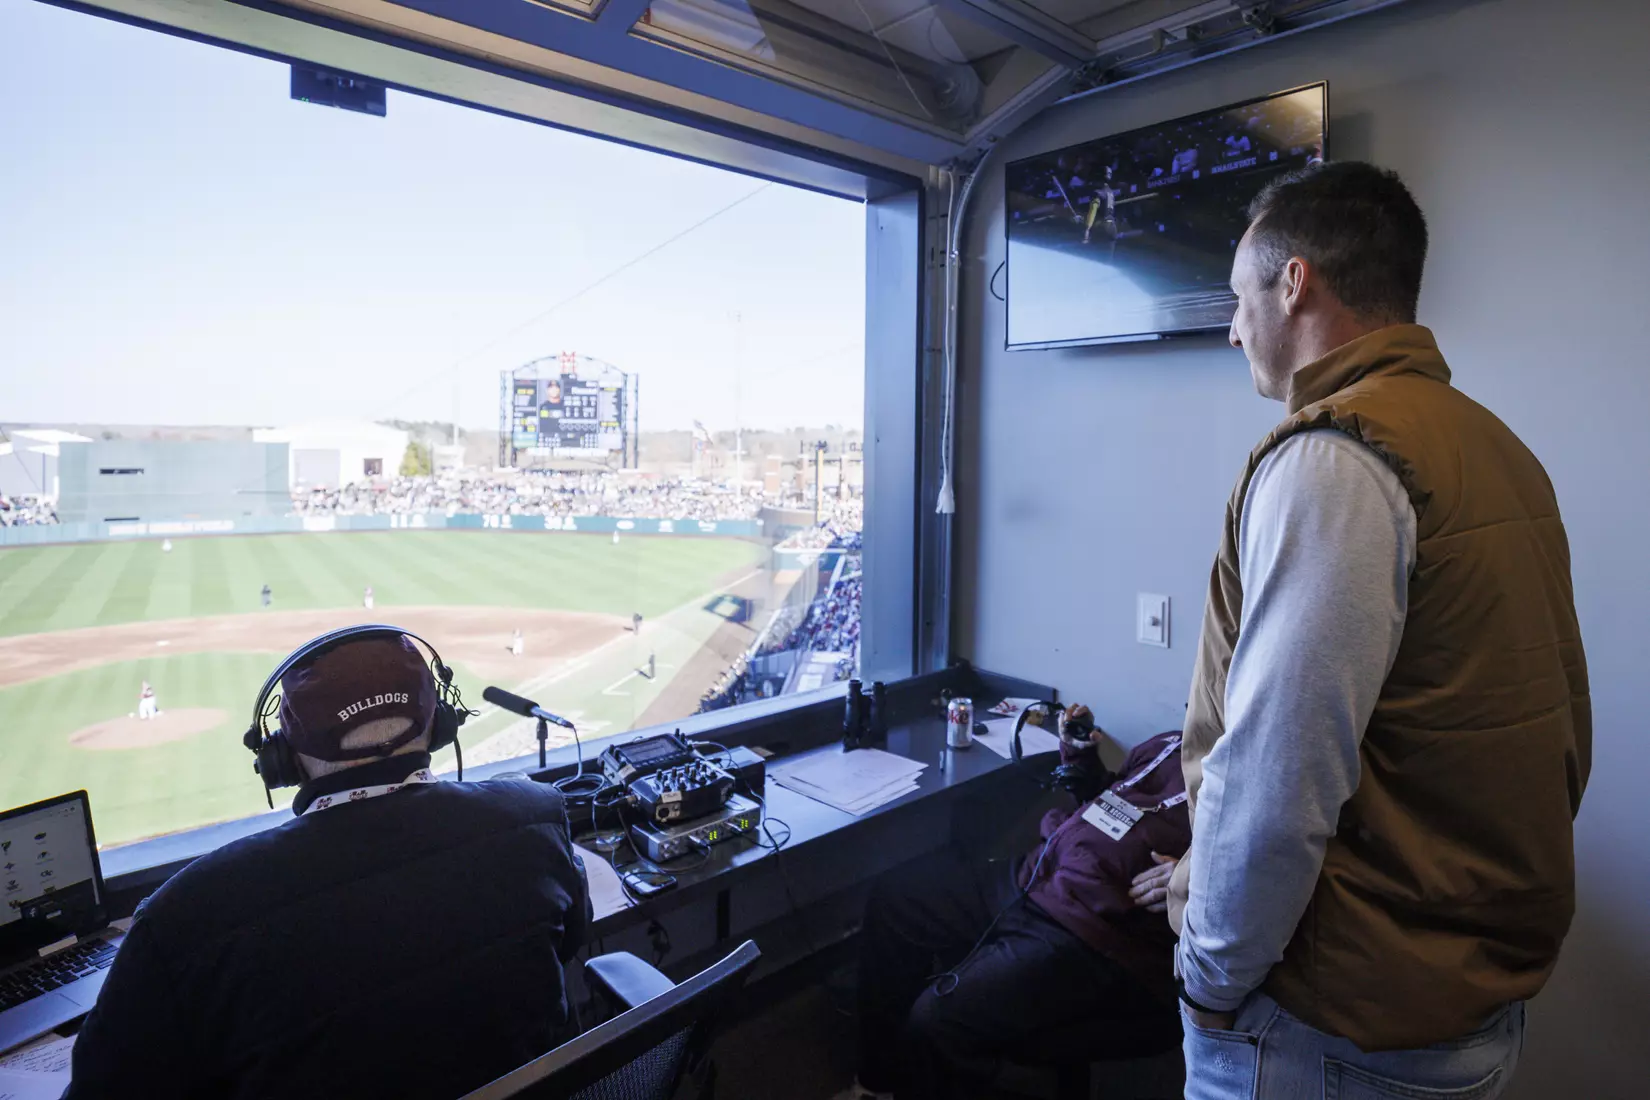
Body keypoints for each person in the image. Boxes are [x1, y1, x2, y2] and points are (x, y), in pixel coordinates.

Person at [1169, 162, 1590, 1099]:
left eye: (1240, 298)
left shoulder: (1332, 461)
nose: (1234, 328)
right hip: (1460, 993)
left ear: (1294, 282)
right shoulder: (1491, 445)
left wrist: (1207, 976)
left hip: (1337, 1023)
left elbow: (1279, 777)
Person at [65, 632, 593, 1100]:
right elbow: (570, 940)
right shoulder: (537, 816)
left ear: (283, 759)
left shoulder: (185, 915)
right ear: (438, 725)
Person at [848, 713, 1189, 1100]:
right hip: (1036, 875)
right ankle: (880, 1079)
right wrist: (1079, 758)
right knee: (897, 898)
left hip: (1096, 931)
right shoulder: (1169, 743)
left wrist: (1196, 877)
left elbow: (1261, 885)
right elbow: (1110, 799)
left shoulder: (1254, 790)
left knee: (937, 1021)